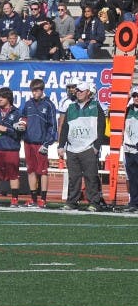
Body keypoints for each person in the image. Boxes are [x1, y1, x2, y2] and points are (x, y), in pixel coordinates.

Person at [58, 81, 109, 211]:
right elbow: (65, 128)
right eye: (77, 91)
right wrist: (61, 145)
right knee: (73, 177)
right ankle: (72, 202)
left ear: (88, 92)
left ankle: (94, 203)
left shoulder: (95, 106)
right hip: (72, 148)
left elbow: (101, 127)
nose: (78, 93)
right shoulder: (71, 107)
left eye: (81, 91)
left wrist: (96, 146)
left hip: (88, 147)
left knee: (91, 177)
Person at [19, 79, 58, 208]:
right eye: (33, 91)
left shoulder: (49, 105)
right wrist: (22, 125)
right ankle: (33, 198)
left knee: (43, 171)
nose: (34, 93)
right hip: (28, 142)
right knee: (31, 170)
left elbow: (53, 126)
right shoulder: (28, 104)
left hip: (41, 143)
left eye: (37, 90)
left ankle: (43, 199)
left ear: (42, 90)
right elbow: (23, 118)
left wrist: (47, 143)